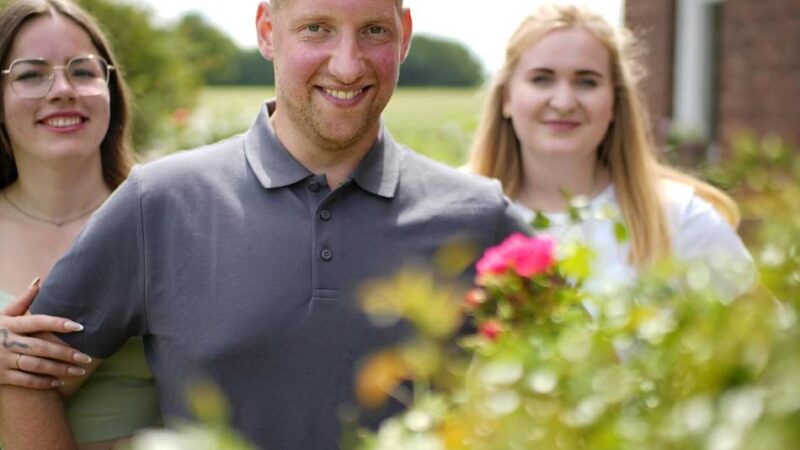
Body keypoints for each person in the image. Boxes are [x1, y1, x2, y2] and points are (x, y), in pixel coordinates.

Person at [0, 0, 529, 449]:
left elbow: (561, 383)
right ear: (267, 31)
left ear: (405, 35)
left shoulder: (480, 218)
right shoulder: (159, 201)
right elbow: (22, 377)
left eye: (374, 31)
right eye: (316, 29)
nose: (348, 65)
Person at [468, 4, 754, 298]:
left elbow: (764, 326)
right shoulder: (455, 212)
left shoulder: (680, 218)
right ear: (507, 97)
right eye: (542, 79)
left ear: (615, 101)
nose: (564, 102)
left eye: (586, 82)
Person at [0, 0, 162, 448]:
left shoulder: (169, 220)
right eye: (31, 75)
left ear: (111, 91)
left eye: (84, 71)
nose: (63, 89)